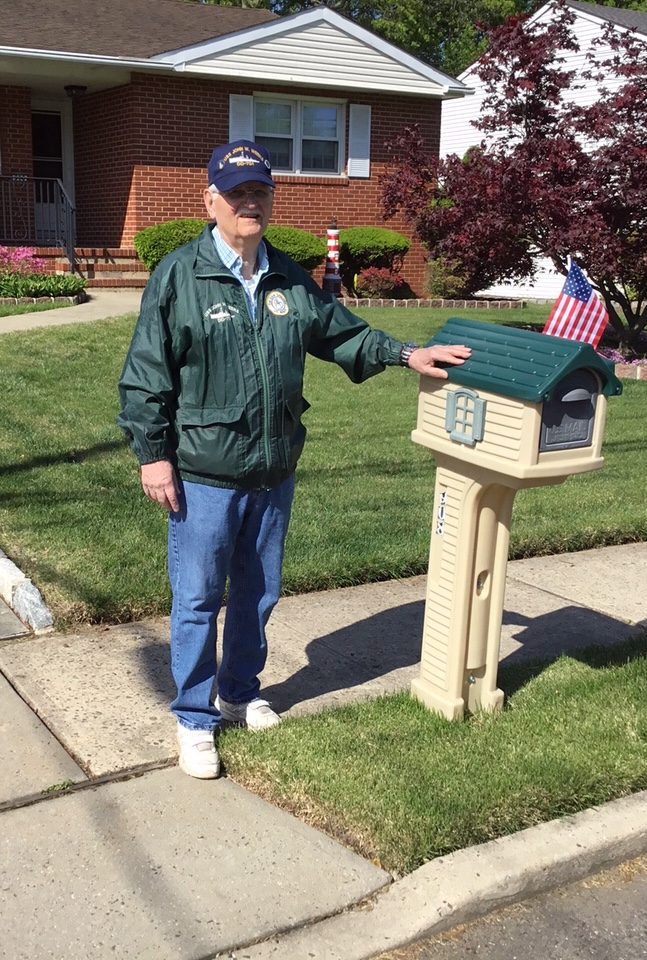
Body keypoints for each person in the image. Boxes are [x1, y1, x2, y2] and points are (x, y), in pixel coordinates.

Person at [117, 140, 471, 779]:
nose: (248, 204)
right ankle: (195, 719)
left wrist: (406, 354)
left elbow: (340, 331)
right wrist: (153, 456)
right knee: (198, 597)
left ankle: (239, 690)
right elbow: (146, 373)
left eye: (258, 193)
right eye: (236, 194)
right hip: (203, 471)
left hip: (273, 467)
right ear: (211, 202)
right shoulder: (179, 275)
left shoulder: (286, 276)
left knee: (256, 592)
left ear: (270, 202)